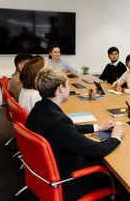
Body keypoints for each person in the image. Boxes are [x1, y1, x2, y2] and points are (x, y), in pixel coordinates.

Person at [25, 67, 124, 201]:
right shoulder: (58, 122)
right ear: (60, 88)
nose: (69, 87)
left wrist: (99, 127)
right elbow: (97, 150)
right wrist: (116, 138)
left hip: (46, 175)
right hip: (70, 181)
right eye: (67, 84)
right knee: (117, 173)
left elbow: (69, 128)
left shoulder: (39, 109)